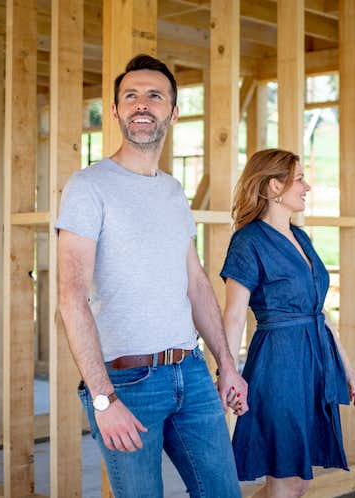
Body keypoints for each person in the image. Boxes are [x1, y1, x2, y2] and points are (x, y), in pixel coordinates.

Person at [56, 54, 247, 498]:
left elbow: (197, 283)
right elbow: (71, 297)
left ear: (173, 112)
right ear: (117, 109)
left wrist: (227, 366)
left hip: (192, 372)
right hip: (126, 383)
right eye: (131, 96)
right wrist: (103, 399)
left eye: (155, 96)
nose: (142, 104)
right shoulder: (88, 187)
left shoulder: (173, 191)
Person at [220, 148, 355, 497]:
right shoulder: (248, 241)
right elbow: (235, 313)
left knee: (299, 481)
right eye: (299, 179)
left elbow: (319, 311)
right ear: (273, 187)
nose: (307, 187)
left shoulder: (301, 238)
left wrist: (346, 365)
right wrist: (228, 371)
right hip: (278, 366)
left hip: (314, 363)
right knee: (285, 480)